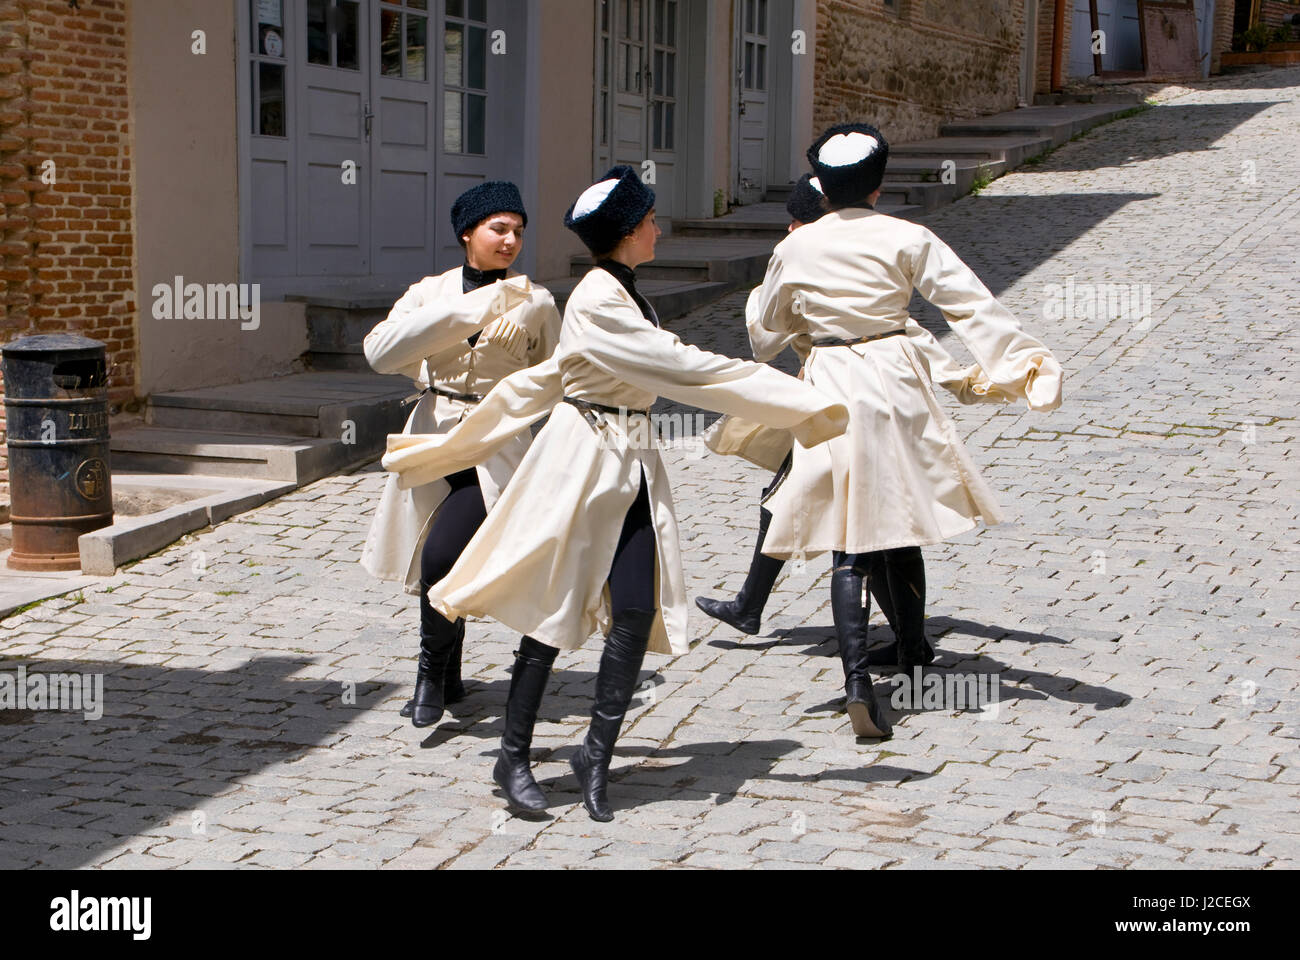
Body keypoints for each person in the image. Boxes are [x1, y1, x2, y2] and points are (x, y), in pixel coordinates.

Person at [381, 166, 849, 820]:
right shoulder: (600, 299)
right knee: (551, 604)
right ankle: (512, 754)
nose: (659, 228)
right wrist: (798, 400)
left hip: (628, 462)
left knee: (633, 610)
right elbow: (683, 366)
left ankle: (594, 754)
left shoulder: (624, 293)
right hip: (582, 462)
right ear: (630, 233)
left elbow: (553, 373)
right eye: (651, 221)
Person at [743, 122, 1064, 739]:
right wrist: (1022, 362)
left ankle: (858, 679)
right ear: (879, 185)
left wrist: (768, 301)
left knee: (847, 538)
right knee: (897, 521)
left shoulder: (798, 246)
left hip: (831, 379)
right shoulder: (909, 236)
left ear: (822, 186)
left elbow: (764, 339)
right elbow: (970, 305)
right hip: (894, 376)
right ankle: (908, 651)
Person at [697, 173, 1003, 672]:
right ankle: (898, 645)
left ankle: (887, 657)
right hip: (823, 407)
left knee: (865, 537)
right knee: (851, 525)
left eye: (796, 223)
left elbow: (904, 336)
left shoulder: (816, 261)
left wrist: (968, 381)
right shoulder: (808, 260)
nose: (791, 232)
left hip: (850, 415)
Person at [360, 181, 561, 729]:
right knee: (434, 545)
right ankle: (450, 676)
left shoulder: (537, 302)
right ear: (467, 232)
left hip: (495, 444)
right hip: (430, 437)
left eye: (518, 231)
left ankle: (428, 671)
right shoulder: (429, 293)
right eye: (498, 228)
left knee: (443, 556)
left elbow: (553, 374)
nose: (510, 240)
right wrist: (470, 310)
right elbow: (380, 352)